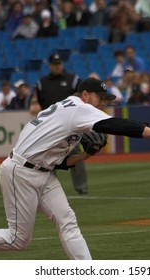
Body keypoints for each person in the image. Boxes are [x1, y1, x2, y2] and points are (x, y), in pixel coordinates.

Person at [0, 77, 150, 260]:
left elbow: (60, 162)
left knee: (68, 221)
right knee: (17, 239)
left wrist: (85, 155)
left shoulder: (68, 112)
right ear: (85, 95)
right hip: (20, 172)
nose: (102, 105)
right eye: (100, 99)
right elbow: (118, 125)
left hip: (42, 172)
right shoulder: (78, 108)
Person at [35, 52, 89, 195]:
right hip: (50, 128)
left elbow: (84, 97)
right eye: (54, 64)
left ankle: (81, 188)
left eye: (59, 64)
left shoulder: (72, 79)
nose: (57, 67)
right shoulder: (42, 83)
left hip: (70, 126)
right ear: (50, 65)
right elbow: (39, 102)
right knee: (48, 160)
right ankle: (49, 190)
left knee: (76, 157)